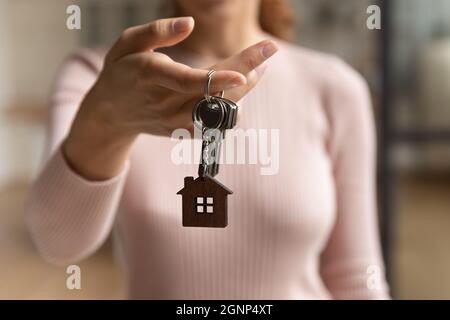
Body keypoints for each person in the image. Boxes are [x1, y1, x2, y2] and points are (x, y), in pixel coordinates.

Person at [25, 0, 390, 299]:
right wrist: (107, 123)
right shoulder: (98, 76)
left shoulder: (335, 88)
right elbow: (58, 242)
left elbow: (357, 278)